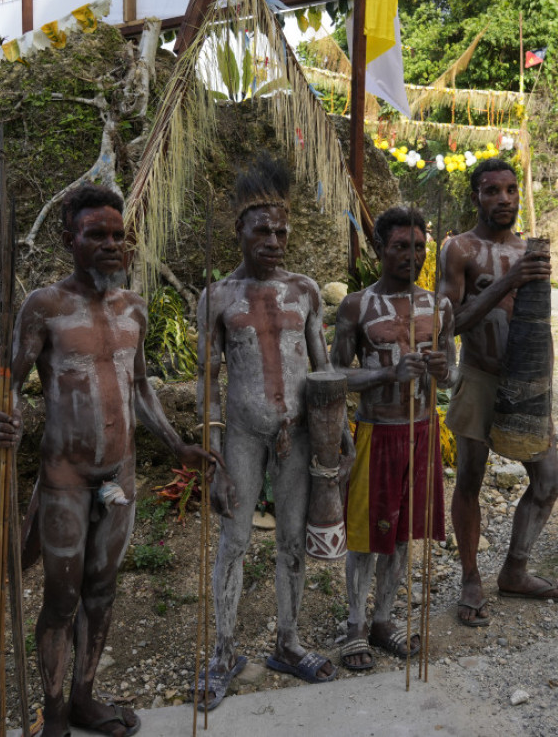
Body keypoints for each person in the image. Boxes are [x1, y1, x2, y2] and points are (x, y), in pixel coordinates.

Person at [0, 184, 219, 737]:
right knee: (62, 598)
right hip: (65, 479)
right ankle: (54, 710)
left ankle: (85, 697)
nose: (113, 244)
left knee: (102, 590)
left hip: (121, 477)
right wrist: (4, 420)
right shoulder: (45, 307)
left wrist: (176, 444)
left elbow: (140, 388)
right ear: (70, 240)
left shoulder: (133, 307)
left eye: (120, 235)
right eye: (97, 235)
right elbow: (11, 384)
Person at [196, 154, 343, 709]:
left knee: (290, 540)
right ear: (240, 230)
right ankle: (223, 650)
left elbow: (323, 371)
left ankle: (288, 640)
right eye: (263, 229)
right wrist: (213, 458)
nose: (274, 239)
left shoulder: (304, 291)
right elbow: (208, 382)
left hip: (298, 434)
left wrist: (337, 433)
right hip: (242, 435)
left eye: (282, 230)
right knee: (233, 541)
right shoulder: (217, 298)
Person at [438, 157, 558, 627]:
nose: (505, 200)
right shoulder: (459, 249)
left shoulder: (528, 251)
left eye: (512, 191)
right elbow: (449, 323)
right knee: (470, 479)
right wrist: (508, 283)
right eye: (492, 191)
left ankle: (515, 569)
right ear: (475, 195)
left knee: (549, 479)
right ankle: (471, 576)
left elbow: (538, 326)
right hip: (479, 376)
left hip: (527, 382)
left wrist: (545, 385)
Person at [331, 206, 453, 670]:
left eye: (419, 246)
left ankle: (383, 621)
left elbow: (454, 373)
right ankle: (355, 627)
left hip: (422, 431)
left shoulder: (438, 306)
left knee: (403, 535)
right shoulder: (356, 306)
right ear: (380, 248)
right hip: (376, 433)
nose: (412, 255)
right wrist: (386, 372)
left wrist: (444, 370)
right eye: (401, 246)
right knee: (366, 535)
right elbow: (334, 373)